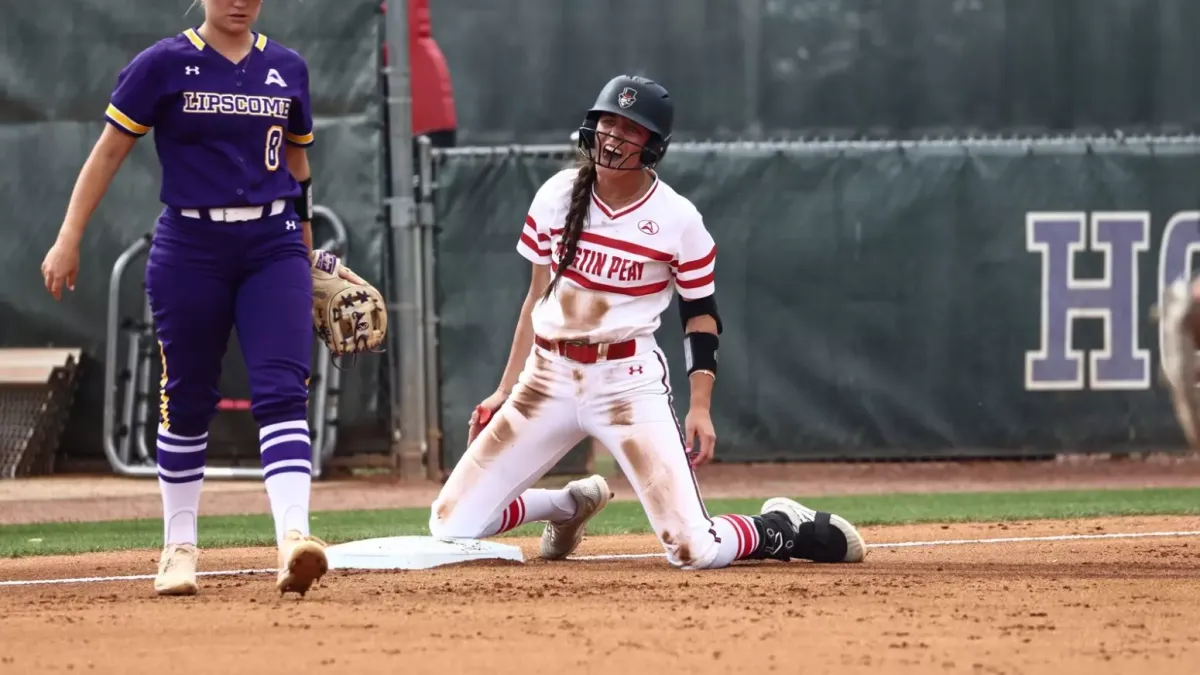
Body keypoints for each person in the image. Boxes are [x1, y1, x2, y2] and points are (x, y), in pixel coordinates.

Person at [428, 75, 869, 570]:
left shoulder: (678, 218)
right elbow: (536, 298)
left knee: (694, 550)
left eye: (630, 129)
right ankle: (569, 506)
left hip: (625, 383)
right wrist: (504, 389)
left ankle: (779, 528)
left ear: (653, 145)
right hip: (546, 378)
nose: (614, 137)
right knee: (450, 525)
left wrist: (700, 406)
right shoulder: (556, 194)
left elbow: (701, 317)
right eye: (608, 123)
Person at [39, 0, 349, 597]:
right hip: (191, 245)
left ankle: (294, 539)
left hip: (273, 243)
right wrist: (68, 236)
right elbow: (108, 151)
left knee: (284, 390)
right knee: (186, 397)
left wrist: (307, 256)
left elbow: (297, 162)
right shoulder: (163, 63)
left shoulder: (287, 67)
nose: (240, 1)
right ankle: (178, 546)